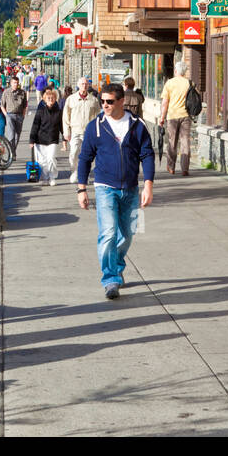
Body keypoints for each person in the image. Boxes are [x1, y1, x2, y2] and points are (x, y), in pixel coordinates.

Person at [76, 82, 155, 300]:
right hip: (104, 187)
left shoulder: (137, 125)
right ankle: (110, 279)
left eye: (109, 102)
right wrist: (81, 189)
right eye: (102, 101)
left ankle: (117, 263)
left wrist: (148, 184)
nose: (105, 105)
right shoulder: (95, 126)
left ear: (121, 101)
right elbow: (85, 158)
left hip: (130, 188)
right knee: (108, 233)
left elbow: (147, 155)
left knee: (128, 234)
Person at [157, 61, 193, 176]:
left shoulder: (169, 83)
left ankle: (171, 166)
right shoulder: (189, 83)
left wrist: (162, 117)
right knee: (185, 142)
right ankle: (185, 168)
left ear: (176, 71)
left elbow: (165, 102)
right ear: (185, 71)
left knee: (172, 142)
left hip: (172, 116)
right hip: (186, 116)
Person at [63, 76, 101, 179]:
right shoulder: (71, 99)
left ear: (88, 85)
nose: (84, 86)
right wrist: (66, 131)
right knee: (73, 153)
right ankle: (74, 171)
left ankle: (85, 174)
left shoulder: (93, 100)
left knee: (88, 155)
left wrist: (97, 131)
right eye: (82, 84)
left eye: (86, 84)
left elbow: (98, 116)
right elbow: (66, 116)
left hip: (88, 132)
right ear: (78, 85)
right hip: (75, 130)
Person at [28, 85, 63, 183]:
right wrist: (32, 140)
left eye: (52, 98)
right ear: (44, 99)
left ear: (55, 99)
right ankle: (44, 176)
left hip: (53, 138)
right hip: (40, 139)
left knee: (51, 158)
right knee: (42, 161)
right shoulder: (40, 110)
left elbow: (61, 125)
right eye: (48, 98)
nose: (50, 100)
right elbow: (35, 125)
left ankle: (52, 176)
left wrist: (65, 136)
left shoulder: (58, 111)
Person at [1, 75, 29, 157]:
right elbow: (2, 105)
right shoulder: (6, 92)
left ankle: (13, 151)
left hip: (19, 115)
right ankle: (11, 153)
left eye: (17, 83)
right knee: (11, 135)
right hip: (10, 115)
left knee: (17, 135)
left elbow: (25, 106)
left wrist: (23, 115)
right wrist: (6, 115)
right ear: (11, 83)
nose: (15, 84)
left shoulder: (22, 92)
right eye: (14, 83)